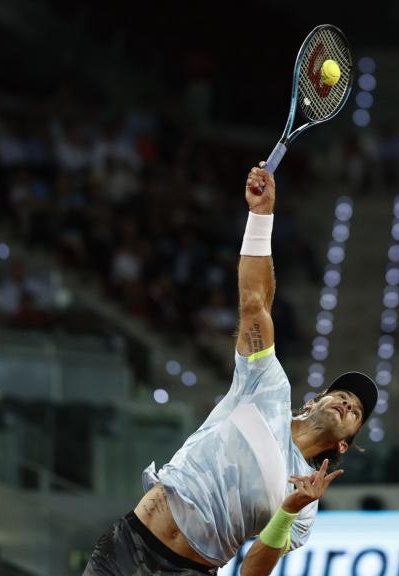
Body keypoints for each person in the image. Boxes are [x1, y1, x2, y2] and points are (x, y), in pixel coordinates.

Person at [84, 163, 378, 575]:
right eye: (342, 395)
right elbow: (255, 304)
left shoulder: (303, 503)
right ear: (312, 402)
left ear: (345, 444)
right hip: (127, 544)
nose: (348, 403)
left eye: (357, 412)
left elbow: (250, 572)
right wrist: (260, 215)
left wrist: (289, 510)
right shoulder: (269, 388)